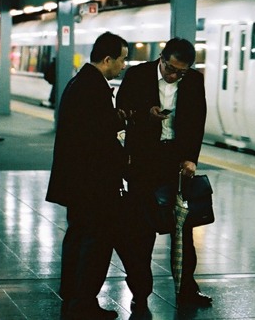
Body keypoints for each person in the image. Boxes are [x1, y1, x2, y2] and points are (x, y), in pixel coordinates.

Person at [115, 37, 211, 314]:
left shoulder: (193, 81)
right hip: (144, 162)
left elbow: (197, 121)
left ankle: (186, 289)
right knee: (141, 232)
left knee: (184, 229)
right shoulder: (137, 75)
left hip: (176, 161)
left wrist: (191, 158)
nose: (173, 75)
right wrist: (147, 115)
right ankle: (140, 292)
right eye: (170, 68)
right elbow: (122, 111)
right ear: (162, 57)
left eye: (180, 71)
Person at [46, 32, 129, 320]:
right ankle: (84, 303)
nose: (123, 65)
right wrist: (123, 156)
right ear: (107, 60)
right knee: (95, 243)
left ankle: (73, 297)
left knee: (78, 238)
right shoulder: (94, 88)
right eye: (122, 59)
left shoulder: (78, 82)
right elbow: (97, 139)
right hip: (93, 184)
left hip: (77, 182)